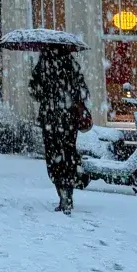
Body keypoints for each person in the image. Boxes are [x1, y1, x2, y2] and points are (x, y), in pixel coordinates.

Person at [29, 48, 90, 214]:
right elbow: (83, 91)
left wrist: (46, 93)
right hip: (68, 120)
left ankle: (63, 193)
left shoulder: (43, 65)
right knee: (68, 154)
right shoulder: (71, 65)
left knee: (54, 157)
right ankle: (68, 193)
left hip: (51, 119)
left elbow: (34, 90)